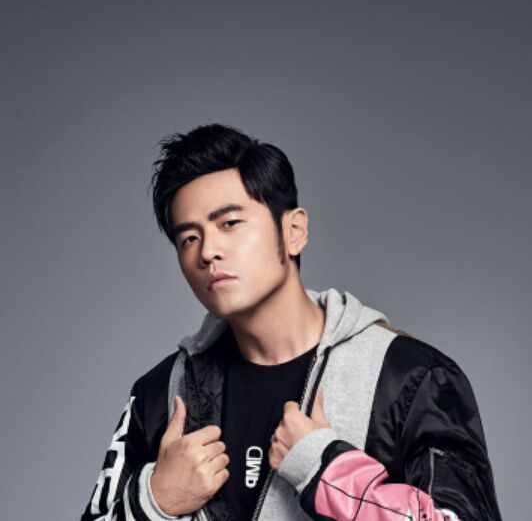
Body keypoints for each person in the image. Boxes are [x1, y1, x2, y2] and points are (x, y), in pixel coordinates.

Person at [80, 124, 502, 521]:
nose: (207, 252)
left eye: (229, 223)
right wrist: (155, 502)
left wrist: (327, 472)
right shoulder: (161, 393)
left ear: (294, 231)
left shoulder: (411, 379)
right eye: (188, 238)